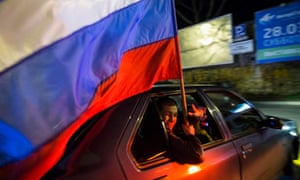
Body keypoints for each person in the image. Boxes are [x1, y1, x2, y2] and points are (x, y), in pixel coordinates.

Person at [156, 97, 207, 164]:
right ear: (158, 115)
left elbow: (183, 116)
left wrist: (195, 116)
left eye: (175, 115)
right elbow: (197, 156)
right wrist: (190, 135)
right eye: (168, 114)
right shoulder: (166, 137)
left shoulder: (175, 126)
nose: (172, 119)